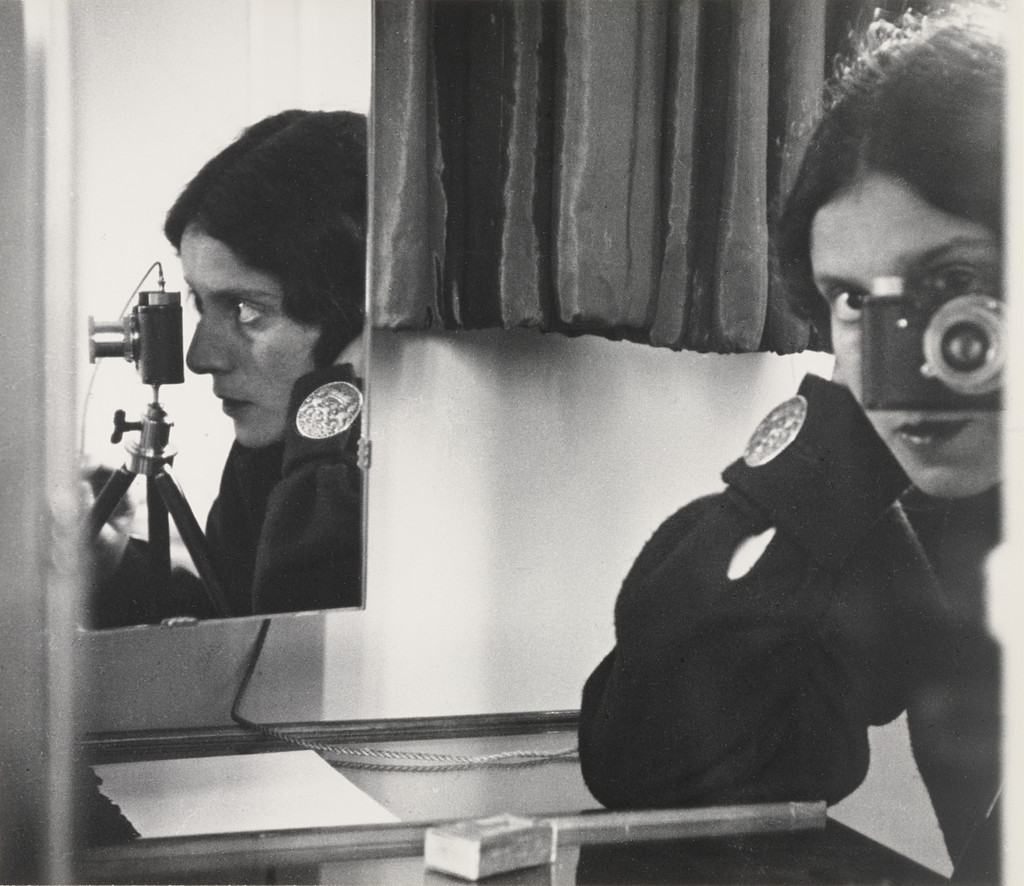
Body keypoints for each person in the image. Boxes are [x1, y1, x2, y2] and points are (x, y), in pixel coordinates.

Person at [578, 4, 1004, 883]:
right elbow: (658, 768)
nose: (897, 351)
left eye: (955, 278)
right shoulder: (941, 511)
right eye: (854, 299)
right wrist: (839, 446)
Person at [89, 109, 367, 627]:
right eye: (200, 302)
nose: (199, 357)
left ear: (352, 319)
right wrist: (110, 563)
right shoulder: (261, 458)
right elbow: (237, 623)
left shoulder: (400, 472)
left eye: (245, 309)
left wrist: (328, 412)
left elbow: (303, 648)